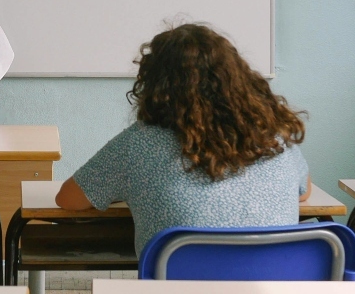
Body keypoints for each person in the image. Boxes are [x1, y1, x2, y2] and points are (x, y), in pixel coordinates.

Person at [55, 23, 311, 256]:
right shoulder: (274, 137)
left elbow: (67, 200)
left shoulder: (139, 144)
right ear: (238, 79)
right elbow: (303, 191)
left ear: (156, 86)